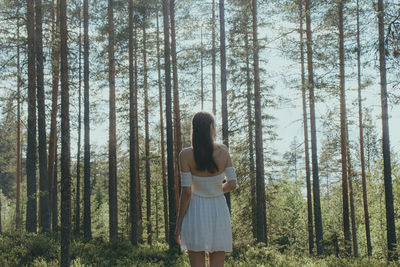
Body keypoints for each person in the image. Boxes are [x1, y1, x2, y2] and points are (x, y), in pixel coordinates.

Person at [174, 111, 237, 267]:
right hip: (218, 210)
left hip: (196, 210)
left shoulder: (185, 155)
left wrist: (178, 225)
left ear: (195, 130)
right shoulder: (223, 151)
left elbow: (187, 192)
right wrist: (214, 191)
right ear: (211, 128)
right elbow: (233, 184)